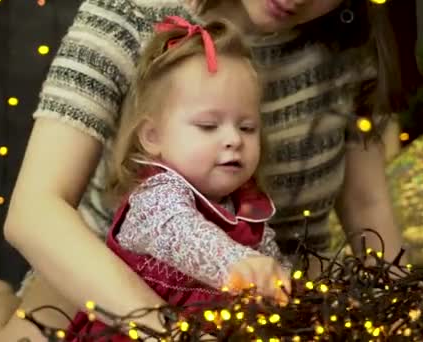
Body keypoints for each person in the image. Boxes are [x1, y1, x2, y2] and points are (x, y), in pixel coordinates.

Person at [0, 0, 420, 341]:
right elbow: (34, 212)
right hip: (109, 295)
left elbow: (367, 205)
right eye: (209, 125)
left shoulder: (345, 44)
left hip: (258, 312)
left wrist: (407, 313)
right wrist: (171, 332)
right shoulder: (129, 14)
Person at [64, 17, 291, 340]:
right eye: (208, 126)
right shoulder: (155, 196)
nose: (233, 140)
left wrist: (286, 286)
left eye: (247, 127)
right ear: (153, 136)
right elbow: (179, 231)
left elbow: (271, 265)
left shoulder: (247, 208)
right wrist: (237, 262)